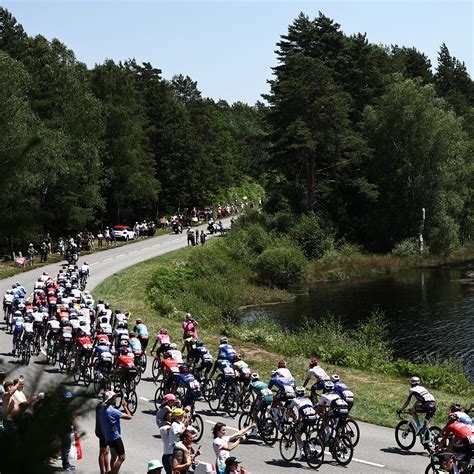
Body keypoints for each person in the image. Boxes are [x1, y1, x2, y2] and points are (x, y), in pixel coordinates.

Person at [99, 390, 133, 474]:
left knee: (113, 456)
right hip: (115, 437)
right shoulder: (112, 411)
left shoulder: (102, 410)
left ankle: (113, 471)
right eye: (114, 397)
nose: (116, 398)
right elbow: (129, 417)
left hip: (108, 437)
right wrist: (125, 407)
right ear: (110, 400)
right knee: (122, 457)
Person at [95, 396, 110, 474]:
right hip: (103, 432)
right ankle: (102, 472)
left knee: (106, 451)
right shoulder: (103, 407)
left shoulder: (101, 405)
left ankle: (107, 470)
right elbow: (102, 422)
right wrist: (105, 434)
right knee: (103, 451)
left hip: (102, 431)